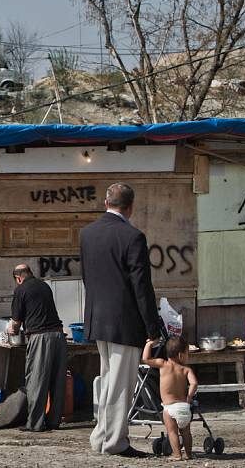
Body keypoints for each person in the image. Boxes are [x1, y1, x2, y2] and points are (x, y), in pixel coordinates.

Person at [80, 182, 161, 458]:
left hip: (97, 319)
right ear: (130, 207)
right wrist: (153, 327)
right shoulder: (133, 236)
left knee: (107, 381)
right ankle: (115, 442)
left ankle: (101, 436)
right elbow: (142, 287)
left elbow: (87, 277)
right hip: (124, 322)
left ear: (105, 203)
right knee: (120, 385)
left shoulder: (87, 234)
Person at [8, 263, 67, 432]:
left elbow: (15, 324)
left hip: (40, 338)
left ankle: (35, 423)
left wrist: (9, 329)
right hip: (58, 336)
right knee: (57, 381)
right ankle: (54, 421)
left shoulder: (20, 290)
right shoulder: (44, 286)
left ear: (18, 278)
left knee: (36, 380)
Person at [142, 336, 198, 461]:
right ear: (180, 355)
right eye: (187, 354)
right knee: (186, 433)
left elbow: (146, 359)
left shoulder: (162, 364)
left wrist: (149, 344)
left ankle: (177, 454)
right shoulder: (186, 369)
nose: (188, 356)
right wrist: (189, 397)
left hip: (169, 408)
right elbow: (194, 384)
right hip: (184, 406)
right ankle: (188, 454)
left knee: (172, 432)